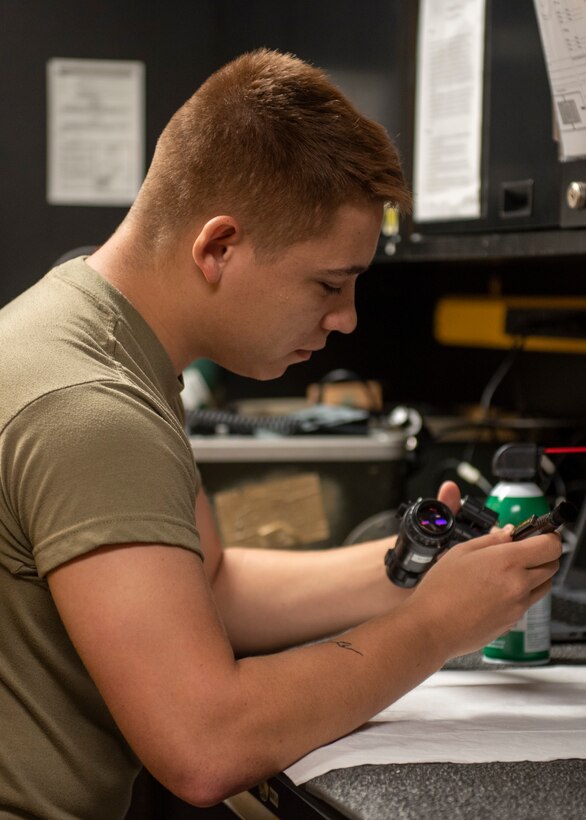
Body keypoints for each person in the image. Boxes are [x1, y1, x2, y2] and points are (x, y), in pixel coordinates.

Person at [0, 48, 561, 819]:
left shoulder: (95, 338)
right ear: (218, 247)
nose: (346, 319)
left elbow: (212, 586)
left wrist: (416, 567)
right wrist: (435, 626)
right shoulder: (91, 407)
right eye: (329, 284)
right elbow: (205, 743)